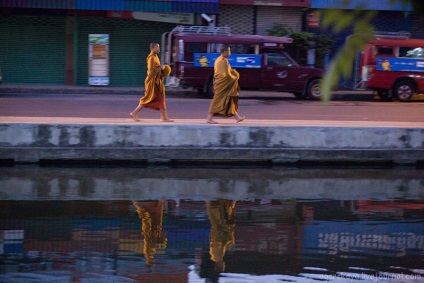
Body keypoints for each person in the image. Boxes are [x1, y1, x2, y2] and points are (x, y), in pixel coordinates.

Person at [130, 42, 173, 122]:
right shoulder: (151, 58)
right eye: (157, 48)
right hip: (152, 82)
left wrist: (162, 70)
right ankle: (134, 113)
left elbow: (156, 69)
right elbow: (151, 72)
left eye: (159, 48)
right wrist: (161, 68)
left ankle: (164, 117)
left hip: (157, 82)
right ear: (152, 48)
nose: (159, 49)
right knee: (148, 98)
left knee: (161, 98)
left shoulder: (156, 57)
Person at [207, 45, 245, 124]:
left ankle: (237, 118)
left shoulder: (220, 59)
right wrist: (235, 77)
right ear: (225, 52)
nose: (230, 53)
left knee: (230, 99)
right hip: (222, 84)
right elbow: (226, 75)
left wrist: (233, 72)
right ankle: (209, 119)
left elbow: (228, 70)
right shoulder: (222, 61)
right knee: (217, 101)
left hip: (222, 83)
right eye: (229, 51)